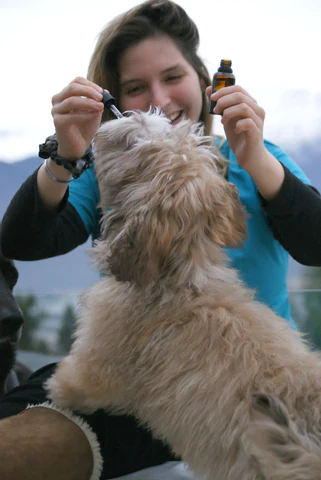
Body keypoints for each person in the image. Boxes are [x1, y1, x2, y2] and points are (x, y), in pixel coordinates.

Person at [1, 0, 321, 479]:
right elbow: (24, 241)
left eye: (172, 77)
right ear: (114, 101)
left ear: (204, 79)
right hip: (136, 369)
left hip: (242, 388)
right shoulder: (115, 169)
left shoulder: (259, 160)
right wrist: (65, 157)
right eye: (136, 88)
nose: (159, 99)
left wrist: (253, 157)